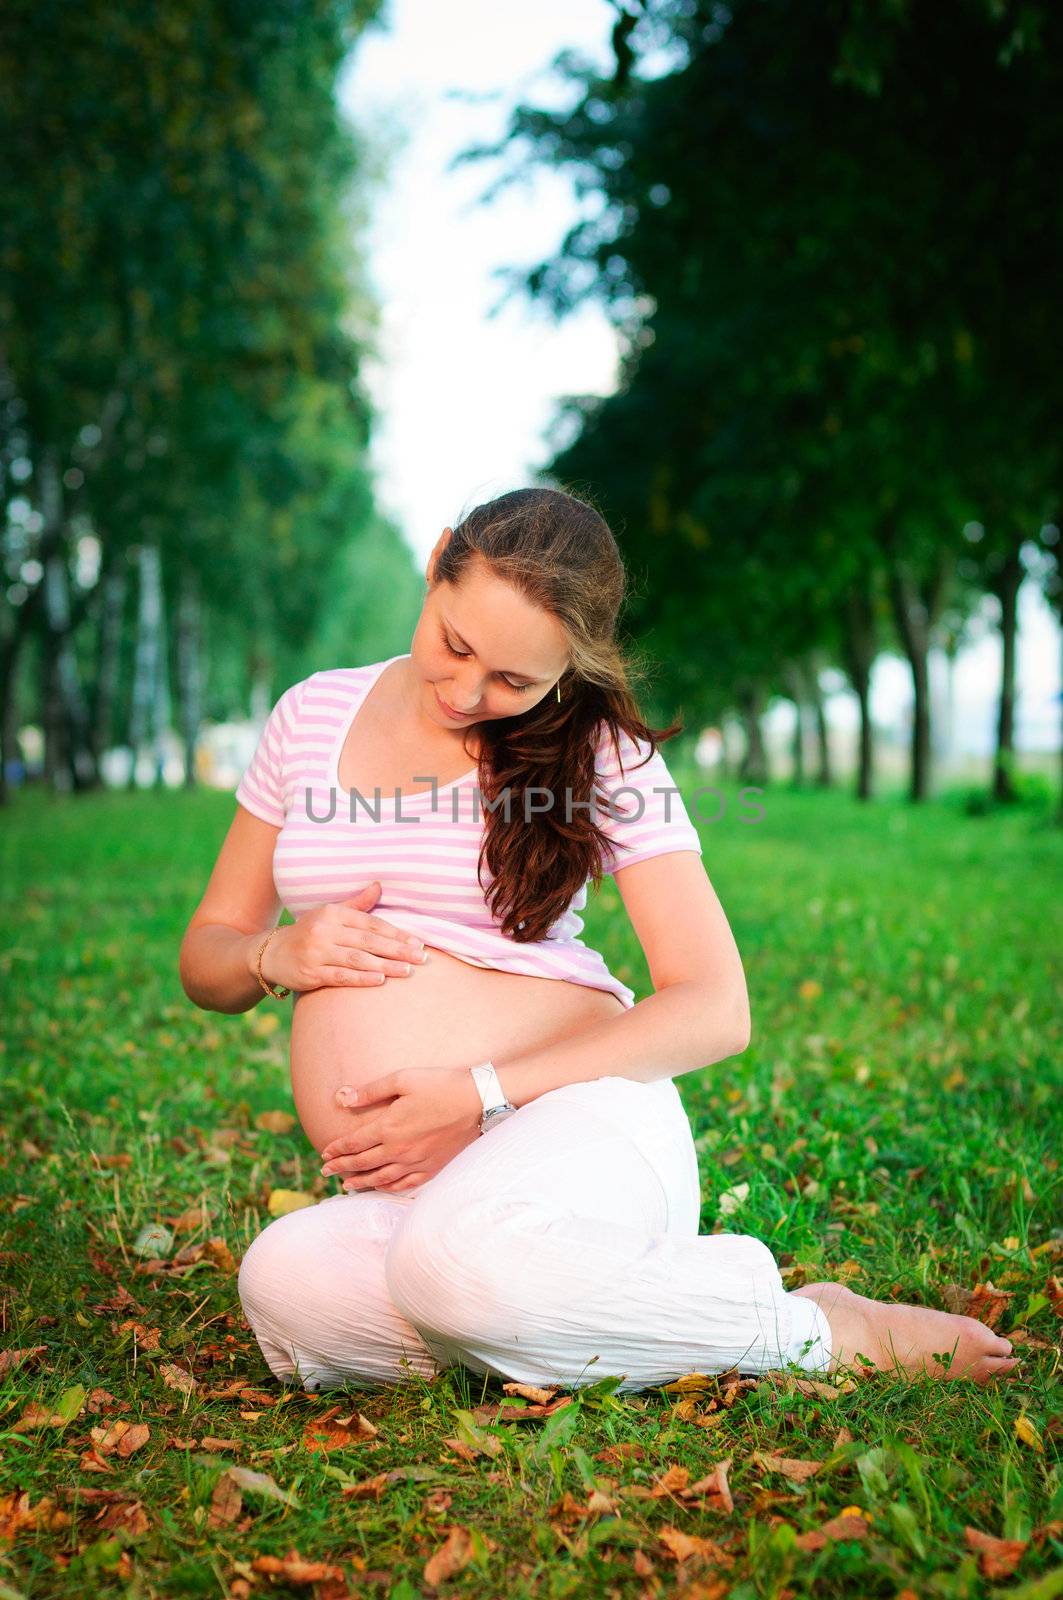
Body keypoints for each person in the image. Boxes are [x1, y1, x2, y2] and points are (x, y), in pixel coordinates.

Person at [179, 487, 1017, 1394]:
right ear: (437, 563)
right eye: (455, 645)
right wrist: (275, 956)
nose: (466, 693)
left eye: (512, 681)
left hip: (579, 1131)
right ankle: (550, 1315)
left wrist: (481, 1094)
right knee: (284, 1281)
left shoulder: (602, 752)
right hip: (411, 1192)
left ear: (569, 668)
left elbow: (714, 1007)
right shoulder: (312, 716)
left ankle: (813, 1328)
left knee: (447, 1264)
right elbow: (208, 954)